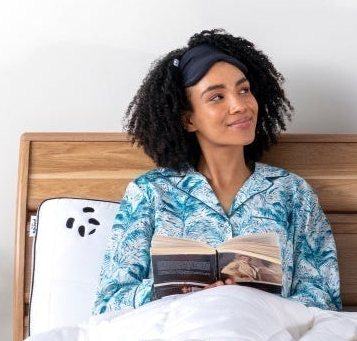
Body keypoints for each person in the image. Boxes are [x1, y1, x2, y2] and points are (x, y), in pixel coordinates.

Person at [94, 28, 343, 313]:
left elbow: (325, 300)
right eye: (217, 97)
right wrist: (181, 294)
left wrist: (248, 301)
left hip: (267, 340)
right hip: (175, 340)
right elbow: (107, 304)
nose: (240, 106)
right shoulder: (150, 192)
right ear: (188, 119)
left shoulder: (292, 192)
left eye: (244, 90)